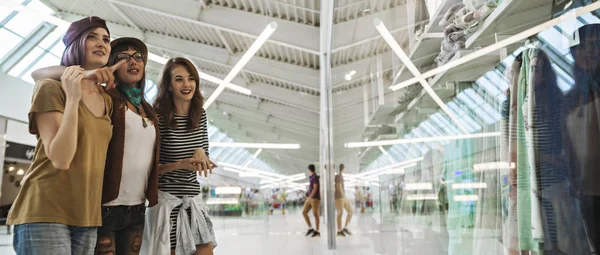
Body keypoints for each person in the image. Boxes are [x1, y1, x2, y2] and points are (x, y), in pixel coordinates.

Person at [31, 37, 161, 255]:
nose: (133, 62)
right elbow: (37, 74)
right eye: (123, 57)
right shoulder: (105, 97)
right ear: (111, 65)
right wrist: (86, 74)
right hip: (106, 206)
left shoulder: (148, 110)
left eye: (138, 57)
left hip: (137, 207)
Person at [7, 16, 115, 255]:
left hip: (87, 215)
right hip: (46, 210)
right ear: (76, 43)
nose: (102, 43)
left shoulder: (106, 99)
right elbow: (61, 159)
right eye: (92, 37)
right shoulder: (51, 87)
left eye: (106, 39)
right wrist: (74, 98)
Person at [141, 57, 217, 255]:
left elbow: (204, 157)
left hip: (193, 202)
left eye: (191, 79)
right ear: (168, 86)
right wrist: (179, 164)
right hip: (167, 205)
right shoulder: (157, 117)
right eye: (179, 79)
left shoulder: (200, 114)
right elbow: (148, 169)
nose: (187, 84)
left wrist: (201, 154)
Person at [303, 164, 321, 237]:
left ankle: (317, 231)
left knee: (315, 214)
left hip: (315, 199)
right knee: (304, 212)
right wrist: (307, 194)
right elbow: (311, 188)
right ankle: (310, 228)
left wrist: (310, 197)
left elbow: (315, 188)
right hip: (310, 199)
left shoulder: (315, 177)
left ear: (309, 170)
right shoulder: (311, 178)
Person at [335, 164, 353, 237]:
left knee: (351, 211)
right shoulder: (338, 176)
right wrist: (344, 196)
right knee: (340, 213)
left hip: (343, 197)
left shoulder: (341, 176)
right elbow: (339, 188)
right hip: (339, 197)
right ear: (342, 168)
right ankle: (339, 231)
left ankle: (345, 227)